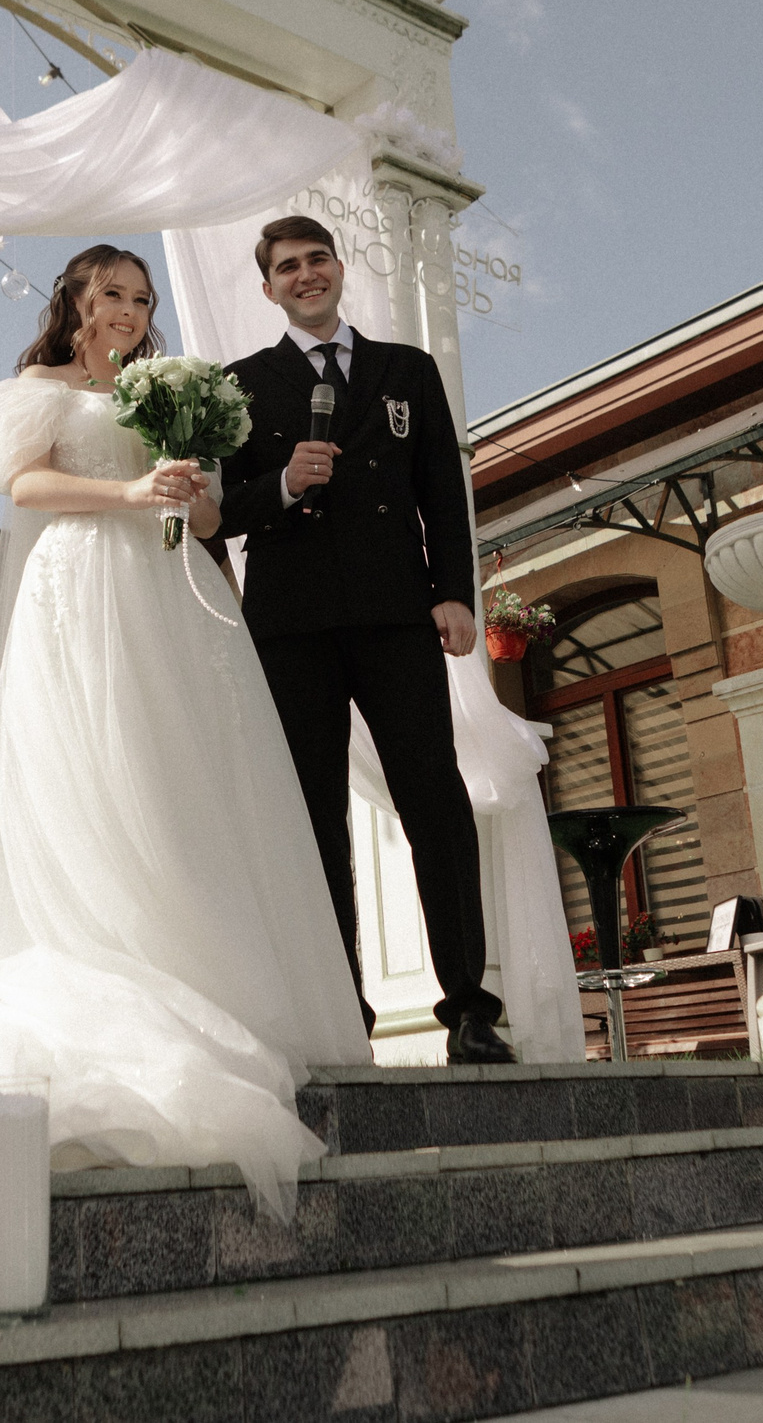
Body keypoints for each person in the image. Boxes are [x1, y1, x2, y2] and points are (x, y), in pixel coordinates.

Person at [0, 245, 370, 1221]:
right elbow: (22, 485)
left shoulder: (178, 393)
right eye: (113, 294)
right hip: (81, 583)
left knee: (184, 783)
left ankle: (212, 984)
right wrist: (127, 495)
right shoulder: (42, 386)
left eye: (142, 297)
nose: (130, 310)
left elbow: (206, 518)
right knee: (98, 772)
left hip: (172, 594)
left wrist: (188, 482)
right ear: (76, 302)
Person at [212, 215, 515, 1065]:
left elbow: (441, 490)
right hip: (291, 625)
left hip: (395, 616)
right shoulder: (239, 386)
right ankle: (341, 1012)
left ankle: (468, 1007)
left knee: (436, 802)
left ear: (340, 269)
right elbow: (216, 511)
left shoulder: (405, 370)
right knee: (314, 820)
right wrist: (280, 483)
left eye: (316, 260)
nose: (305, 276)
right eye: (286, 267)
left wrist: (455, 592)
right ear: (267, 287)